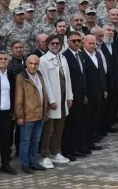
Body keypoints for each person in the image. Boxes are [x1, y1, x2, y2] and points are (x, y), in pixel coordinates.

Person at [38, 35, 73, 166]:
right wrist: (51, 100)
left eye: (57, 43)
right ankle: (45, 155)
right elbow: (45, 82)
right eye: (52, 43)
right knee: (48, 129)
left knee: (59, 127)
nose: (55, 45)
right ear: (47, 45)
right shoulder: (43, 60)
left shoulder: (62, 58)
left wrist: (69, 96)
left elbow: (67, 79)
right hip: (52, 100)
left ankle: (55, 151)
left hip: (63, 98)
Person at [14, 54, 48, 174]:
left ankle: (33, 162)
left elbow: (44, 93)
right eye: (31, 63)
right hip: (28, 115)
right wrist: (20, 115)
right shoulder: (21, 77)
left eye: (36, 64)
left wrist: (45, 111)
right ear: (26, 64)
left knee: (35, 141)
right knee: (25, 141)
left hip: (40, 114)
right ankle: (25, 164)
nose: (33, 66)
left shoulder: (40, 75)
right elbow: (19, 98)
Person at [61, 31, 87, 158]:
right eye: (74, 41)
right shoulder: (65, 56)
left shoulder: (81, 54)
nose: (77, 43)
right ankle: (67, 150)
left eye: (79, 41)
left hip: (81, 94)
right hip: (70, 95)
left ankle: (77, 147)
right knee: (69, 124)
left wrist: (84, 94)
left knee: (78, 122)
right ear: (68, 42)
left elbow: (83, 76)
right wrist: (68, 96)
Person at [81, 35, 106, 153]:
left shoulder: (98, 55)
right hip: (88, 94)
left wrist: (104, 89)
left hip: (98, 92)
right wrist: (84, 93)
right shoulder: (82, 56)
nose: (92, 46)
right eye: (89, 43)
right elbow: (83, 77)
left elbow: (101, 73)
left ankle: (91, 141)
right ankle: (83, 144)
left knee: (95, 118)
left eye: (93, 43)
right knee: (86, 119)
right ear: (84, 44)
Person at [99, 25, 118, 134]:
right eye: (108, 30)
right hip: (105, 82)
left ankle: (109, 124)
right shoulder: (99, 46)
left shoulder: (113, 44)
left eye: (112, 30)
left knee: (112, 105)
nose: (110, 32)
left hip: (114, 82)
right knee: (104, 106)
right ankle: (102, 128)